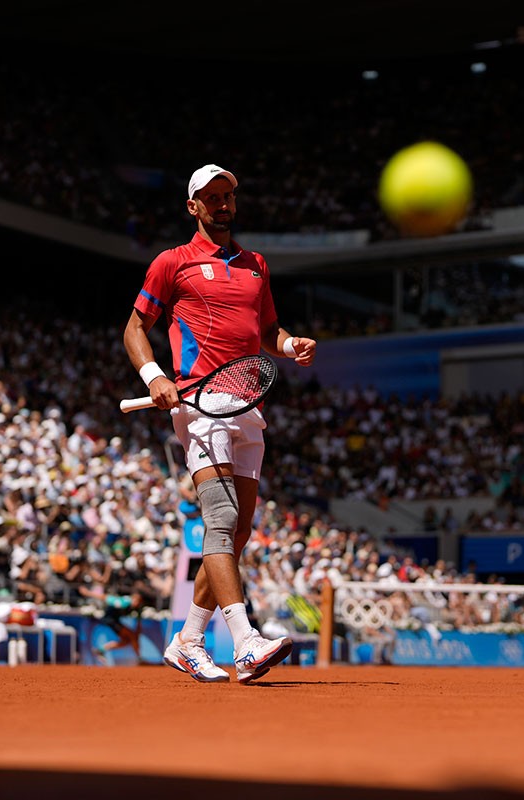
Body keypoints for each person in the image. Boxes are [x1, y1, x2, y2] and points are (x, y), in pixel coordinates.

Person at [122, 163, 317, 684]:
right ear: (194, 206)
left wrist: (291, 344)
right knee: (222, 520)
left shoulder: (256, 264)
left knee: (241, 530)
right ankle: (245, 641)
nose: (223, 204)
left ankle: (187, 641)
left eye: (228, 195)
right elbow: (135, 327)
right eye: (212, 197)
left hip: (246, 405)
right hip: (198, 404)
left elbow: (270, 330)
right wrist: (152, 376)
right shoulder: (173, 262)